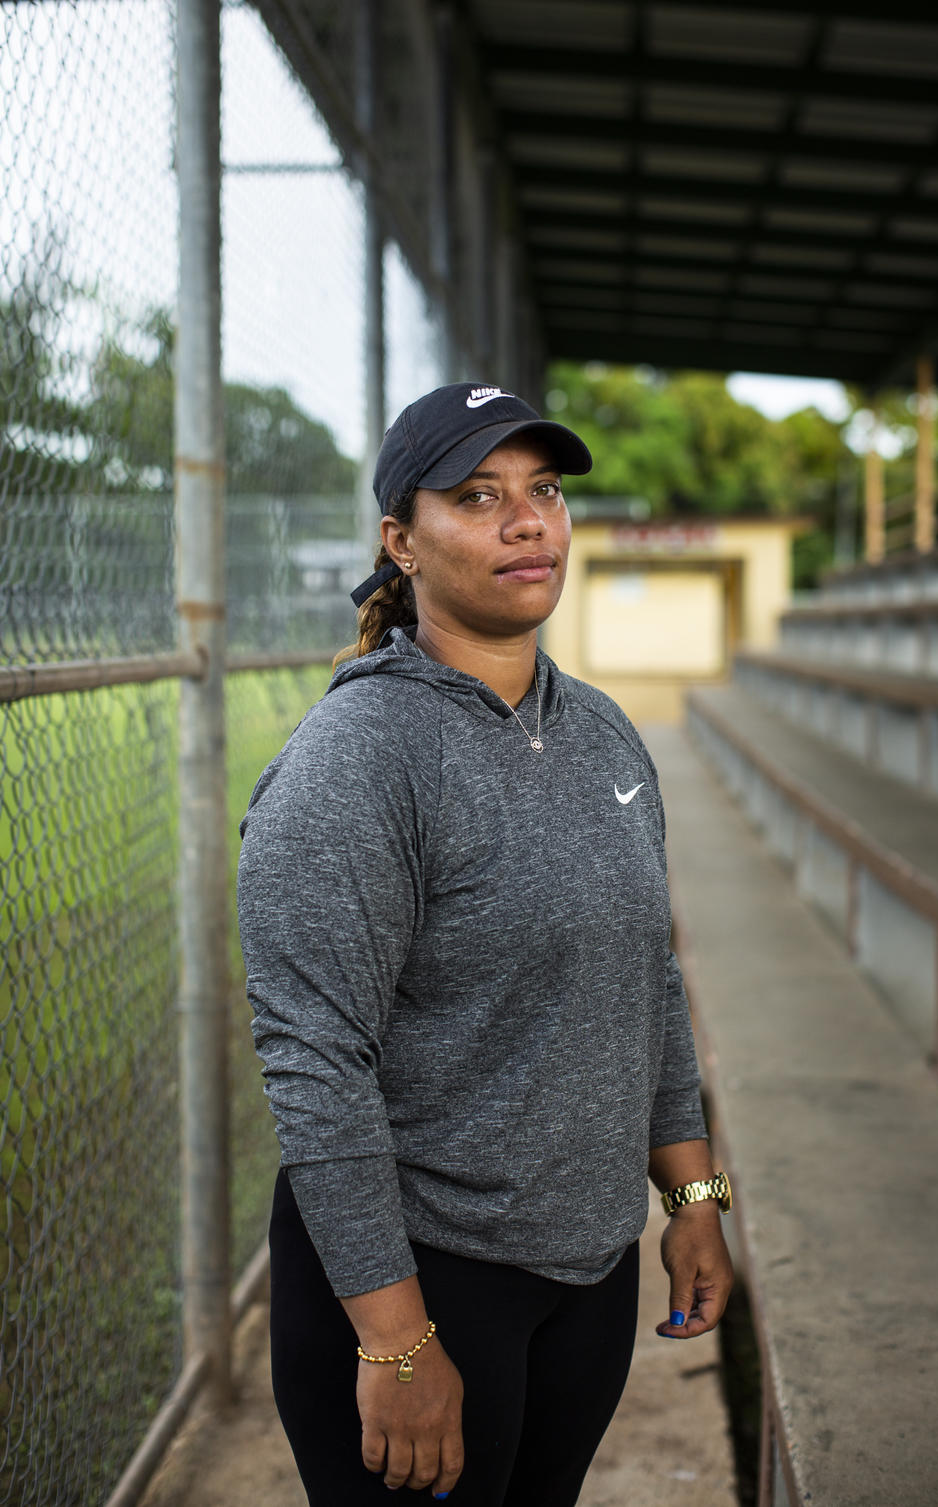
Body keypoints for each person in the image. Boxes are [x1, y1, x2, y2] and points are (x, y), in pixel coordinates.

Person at [236, 382, 734, 1507]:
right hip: (422, 1277)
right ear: (401, 541)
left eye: (543, 491)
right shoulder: (358, 760)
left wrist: (693, 1194)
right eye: (478, 496)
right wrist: (396, 1341)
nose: (527, 521)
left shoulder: (601, 728)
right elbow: (316, 1060)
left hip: (585, 1270)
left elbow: (643, 979)